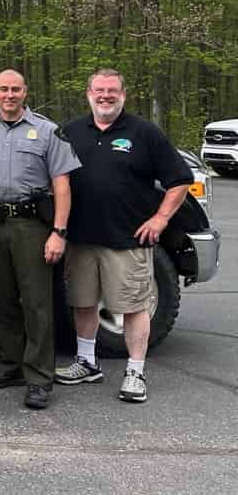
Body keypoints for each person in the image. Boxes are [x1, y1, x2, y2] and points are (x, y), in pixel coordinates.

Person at [56, 68, 193, 403]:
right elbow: (55, 179)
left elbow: (180, 179)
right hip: (81, 238)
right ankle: (87, 362)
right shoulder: (71, 131)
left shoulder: (144, 133)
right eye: (99, 90)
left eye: (112, 91)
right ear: (88, 93)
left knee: (133, 307)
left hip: (127, 240)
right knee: (83, 302)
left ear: (123, 95)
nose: (105, 96)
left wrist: (160, 219)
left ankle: (135, 371)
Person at [0, 69, 80, 410]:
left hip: (30, 225)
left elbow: (62, 185)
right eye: (4, 89)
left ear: (25, 92)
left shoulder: (47, 131)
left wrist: (59, 231)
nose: (9, 95)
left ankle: (39, 377)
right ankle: (10, 366)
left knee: (37, 302)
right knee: (1, 298)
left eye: (16, 89)